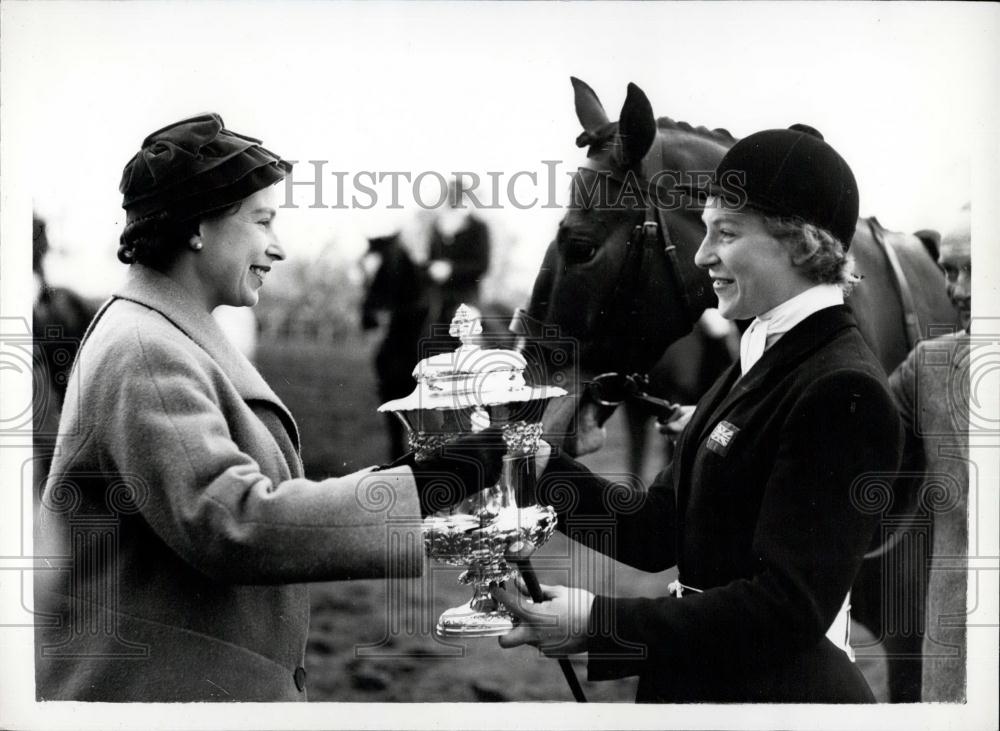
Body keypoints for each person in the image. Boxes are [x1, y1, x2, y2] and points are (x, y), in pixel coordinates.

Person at [33, 114, 482, 702]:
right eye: (262, 221)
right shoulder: (146, 348)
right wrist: (426, 484)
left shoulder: (167, 333)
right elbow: (231, 520)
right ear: (197, 226)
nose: (278, 246)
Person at [495, 125, 904, 703]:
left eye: (725, 234)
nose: (701, 254)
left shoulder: (842, 389)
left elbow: (787, 610)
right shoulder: (760, 354)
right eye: (705, 230)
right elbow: (659, 530)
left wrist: (597, 622)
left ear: (799, 244)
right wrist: (538, 467)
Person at [887, 206, 971, 702]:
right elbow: (850, 429)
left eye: (980, 271)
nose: (958, 291)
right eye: (949, 271)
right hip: (954, 647)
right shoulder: (930, 366)